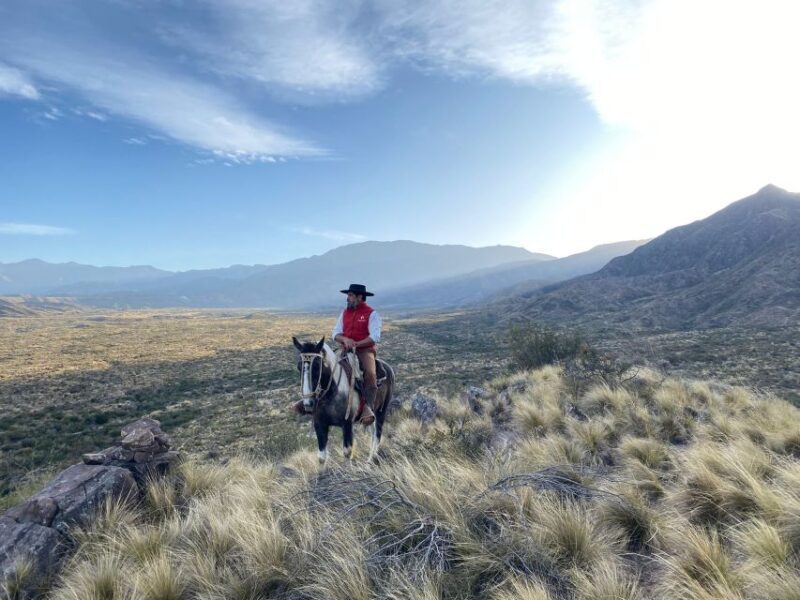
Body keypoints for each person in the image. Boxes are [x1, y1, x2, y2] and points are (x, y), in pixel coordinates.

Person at [332, 283, 382, 426]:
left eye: (350, 295)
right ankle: (316, 400)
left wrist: (357, 344)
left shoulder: (372, 314)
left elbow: (375, 336)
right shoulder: (344, 312)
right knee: (327, 367)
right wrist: (345, 339)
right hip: (345, 349)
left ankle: (368, 407)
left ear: (360, 297)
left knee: (370, 373)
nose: (347, 298)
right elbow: (335, 333)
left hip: (365, 350)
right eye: (348, 295)